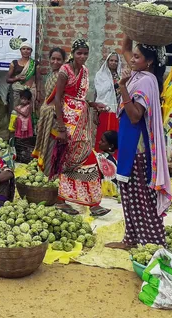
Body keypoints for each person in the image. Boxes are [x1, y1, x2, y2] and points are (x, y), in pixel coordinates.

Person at [106, 35, 172, 249]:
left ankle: (153, 240)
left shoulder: (145, 81)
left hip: (138, 148)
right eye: (132, 57)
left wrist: (122, 86)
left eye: (136, 57)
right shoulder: (139, 73)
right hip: (129, 143)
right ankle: (131, 238)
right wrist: (133, 27)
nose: (131, 60)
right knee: (128, 194)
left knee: (141, 196)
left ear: (149, 61)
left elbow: (135, 116)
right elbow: (125, 46)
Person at [52, 39, 110, 217]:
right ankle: (78, 202)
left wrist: (93, 104)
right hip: (68, 122)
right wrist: (61, 126)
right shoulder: (64, 71)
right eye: (79, 53)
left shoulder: (85, 71)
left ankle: (86, 202)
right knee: (75, 160)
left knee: (80, 160)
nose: (83, 57)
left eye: (85, 53)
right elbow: (57, 98)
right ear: (73, 53)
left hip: (82, 120)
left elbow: (81, 99)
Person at [32, 47, 66, 175]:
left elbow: (59, 98)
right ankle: (47, 173)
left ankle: (52, 174)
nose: (56, 62)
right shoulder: (51, 75)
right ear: (49, 60)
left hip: (55, 116)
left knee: (52, 145)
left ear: (63, 61)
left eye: (59, 59)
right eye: (53, 59)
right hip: (47, 113)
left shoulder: (61, 75)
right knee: (47, 145)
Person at [94, 52, 122, 152]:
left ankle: (114, 161)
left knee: (114, 136)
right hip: (104, 111)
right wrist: (95, 113)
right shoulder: (100, 75)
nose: (113, 63)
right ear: (107, 62)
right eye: (111, 60)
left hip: (117, 112)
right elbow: (97, 94)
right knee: (103, 136)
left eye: (116, 61)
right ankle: (100, 160)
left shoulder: (120, 77)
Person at [7, 42, 39, 111]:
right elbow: (7, 80)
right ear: (20, 50)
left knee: (28, 113)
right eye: (23, 49)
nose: (25, 51)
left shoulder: (34, 64)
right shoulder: (14, 63)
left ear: (31, 51)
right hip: (17, 92)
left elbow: (38, 80)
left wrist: (38, 94)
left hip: (29, 93)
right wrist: (17, 78)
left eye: (28, 49)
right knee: (15, 112)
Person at [95, 130, 118, 198]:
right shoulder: (114, 160)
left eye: (102, 141)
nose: (99, 142)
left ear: (111, 145)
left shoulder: (100, 157)